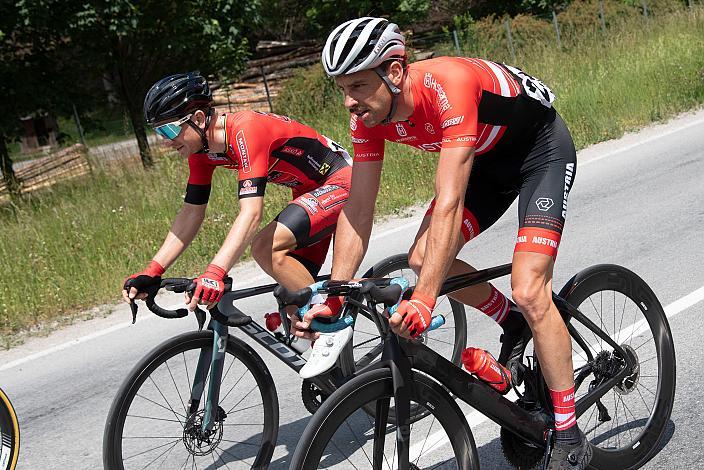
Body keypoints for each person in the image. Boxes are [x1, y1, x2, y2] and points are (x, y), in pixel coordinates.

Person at [295, 17, 589, 469]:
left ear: (394, 72)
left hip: (538, 152)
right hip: (484, 167)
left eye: (357, 85)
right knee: (420, 258)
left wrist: (426, 301)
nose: (349, 101)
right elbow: (358, 208)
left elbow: (450, 201)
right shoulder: (369, 115)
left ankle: (568, 430)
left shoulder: (447, 85)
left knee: (530, 288)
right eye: (342, 88)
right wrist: (335, 293)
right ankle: (509, 319)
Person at [123, 72, 354, 375]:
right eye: (159, 133)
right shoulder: (202, 153)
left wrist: (215, 273)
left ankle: (333, 320)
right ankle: (347, 379)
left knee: (265, 247)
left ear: (197, 118)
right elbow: (191, 213)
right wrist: (153, 271)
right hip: (308, 191)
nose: (167, 142)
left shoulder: (245, 130)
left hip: (342, 180)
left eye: (168, 130)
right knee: (291, 299)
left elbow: (250, 213)